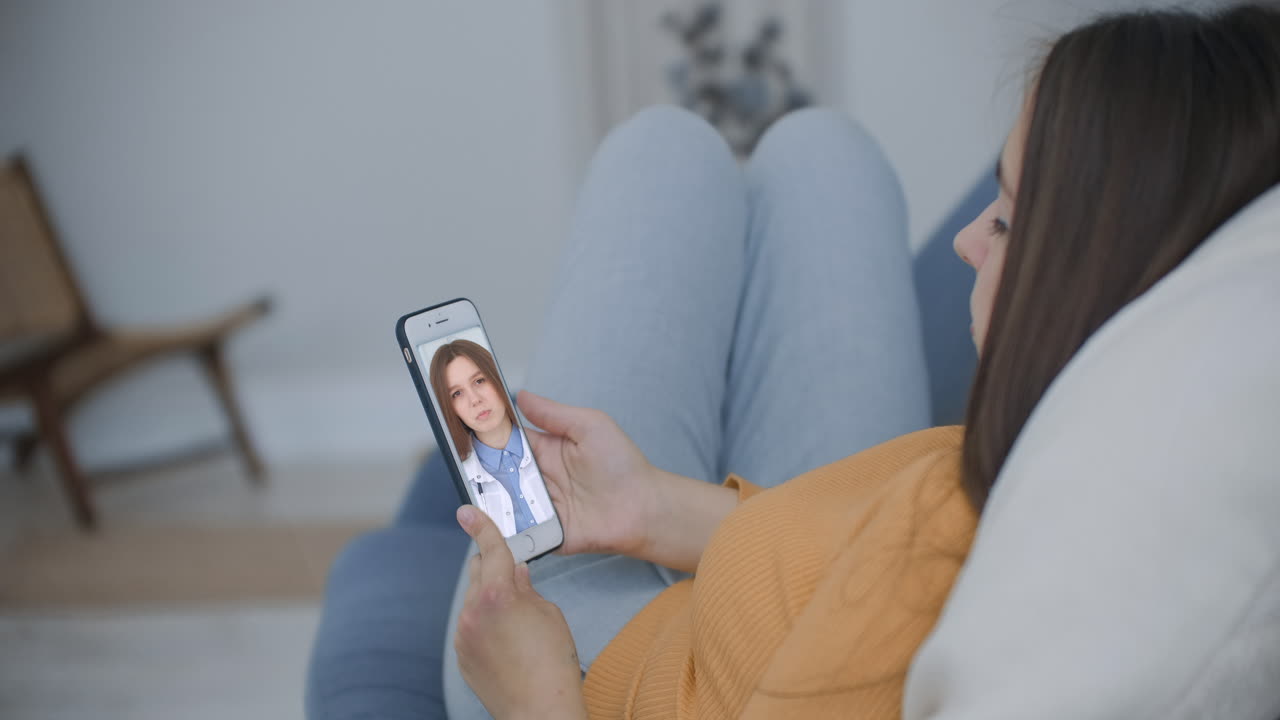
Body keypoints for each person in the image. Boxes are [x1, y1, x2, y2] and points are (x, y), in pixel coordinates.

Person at [441, 4, 1280, 719]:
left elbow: (877, 584)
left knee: (661, 151)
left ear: (1094, 266)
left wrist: (532, 694)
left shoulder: (985, 584)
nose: (963, 239)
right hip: (756, 588)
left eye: (1007, 221)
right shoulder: (1071, 448)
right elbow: (850, 551)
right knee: (822, 149)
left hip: (577, 664)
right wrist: (652, 507)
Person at [429, 339, 554, 537]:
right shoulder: (461, 477)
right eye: (457, 393)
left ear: (496, 379)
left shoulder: (550, 444)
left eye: (479, 381)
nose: (475, 399)